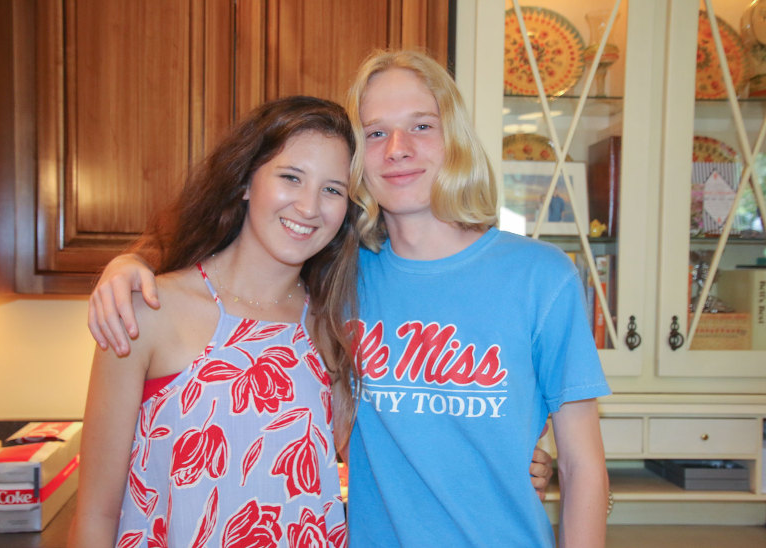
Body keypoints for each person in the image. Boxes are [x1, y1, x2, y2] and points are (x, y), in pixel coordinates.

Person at [89, 50, 602, 546]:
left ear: (456, 139)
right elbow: (241, 249)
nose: (397, 148)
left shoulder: (542, 277)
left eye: (422, 126)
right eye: (375, 132)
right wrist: (131, 261)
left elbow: (583, 466)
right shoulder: (345, 280)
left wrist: (521, 463)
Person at [69, 96, 361, 547]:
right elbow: (95, 514)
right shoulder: (147, 309)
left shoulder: (331, 328)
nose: (309, 206)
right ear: (245, 182)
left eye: (333, 190)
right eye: (290, 177)